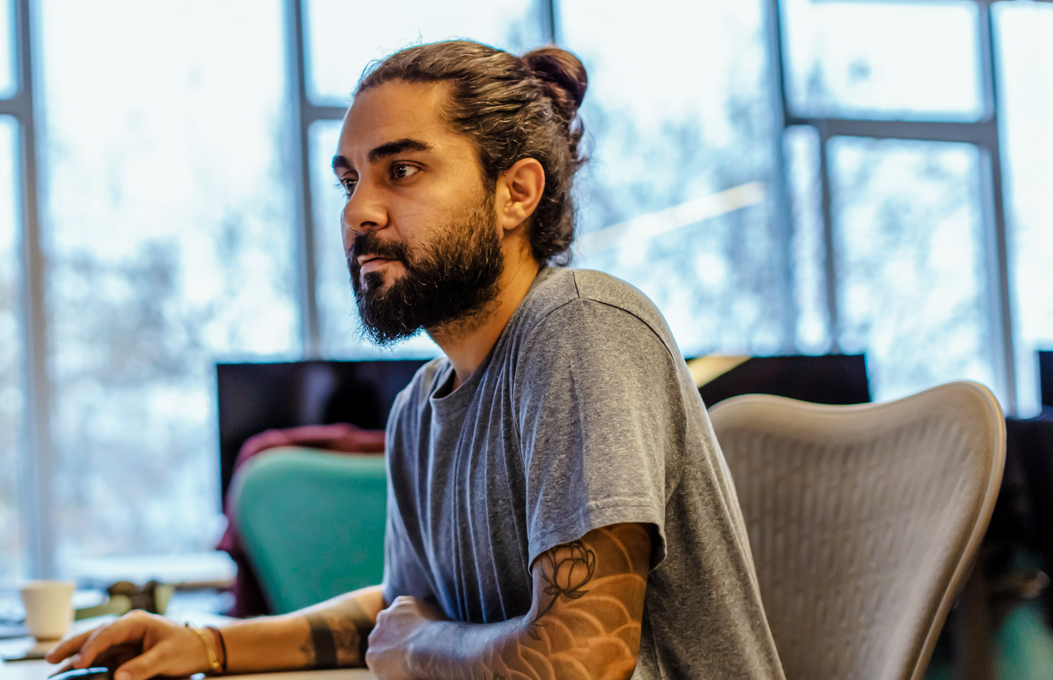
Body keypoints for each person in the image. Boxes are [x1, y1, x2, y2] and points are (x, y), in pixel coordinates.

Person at [46, 40, 785, 680]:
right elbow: (400, 617)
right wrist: (205, 644)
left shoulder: (580, 327)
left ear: (515, 192)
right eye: (348, 179)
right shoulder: (420, 408)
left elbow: (579, 660)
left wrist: (422, 645)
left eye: (400, 171)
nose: (357, 212)